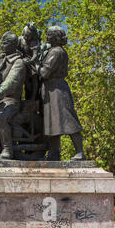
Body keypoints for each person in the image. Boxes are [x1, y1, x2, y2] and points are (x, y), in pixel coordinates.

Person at [38, 26, 86, 161]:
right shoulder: (53, 51)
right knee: (53, 122)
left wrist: (34, 64)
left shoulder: (56, 52)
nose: (46, 37)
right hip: (51, 89)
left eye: (49, 35)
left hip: (57, 90)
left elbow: (44, 72)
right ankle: (54, 153)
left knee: (69, 119)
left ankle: (80, 152)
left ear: (55, 37)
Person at [0, 32, 27, 160]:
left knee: (1, 118)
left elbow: (10, 82)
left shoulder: (18, 62)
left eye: (5, 43)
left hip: (10, 99)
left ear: (13, 45)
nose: (2, 45)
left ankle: (7, 150)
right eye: (2, 42)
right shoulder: (0, 59)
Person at [18, 22, 41, 100]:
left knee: (34, 76)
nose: (26, 37)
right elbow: (16, 50)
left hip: (32, 61)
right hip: (21, 60)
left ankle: (33, 97)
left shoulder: (34, 42)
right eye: (25, 35)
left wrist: (30, 61)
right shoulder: (20, 39)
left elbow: (35, 55)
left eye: (28, 36)